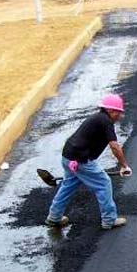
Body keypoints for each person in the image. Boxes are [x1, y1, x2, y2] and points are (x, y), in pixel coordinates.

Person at [46, 94, 132, 230]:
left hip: (68, 157)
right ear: (110, 111)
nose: (120, 116)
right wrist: (124, 165)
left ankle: (54, 217)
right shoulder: (105, 121)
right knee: (103, 183)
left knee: (68, 185)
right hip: (80, 160)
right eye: (118, 112)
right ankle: (109, 220)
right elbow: (114, 146)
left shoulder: (98, 118)